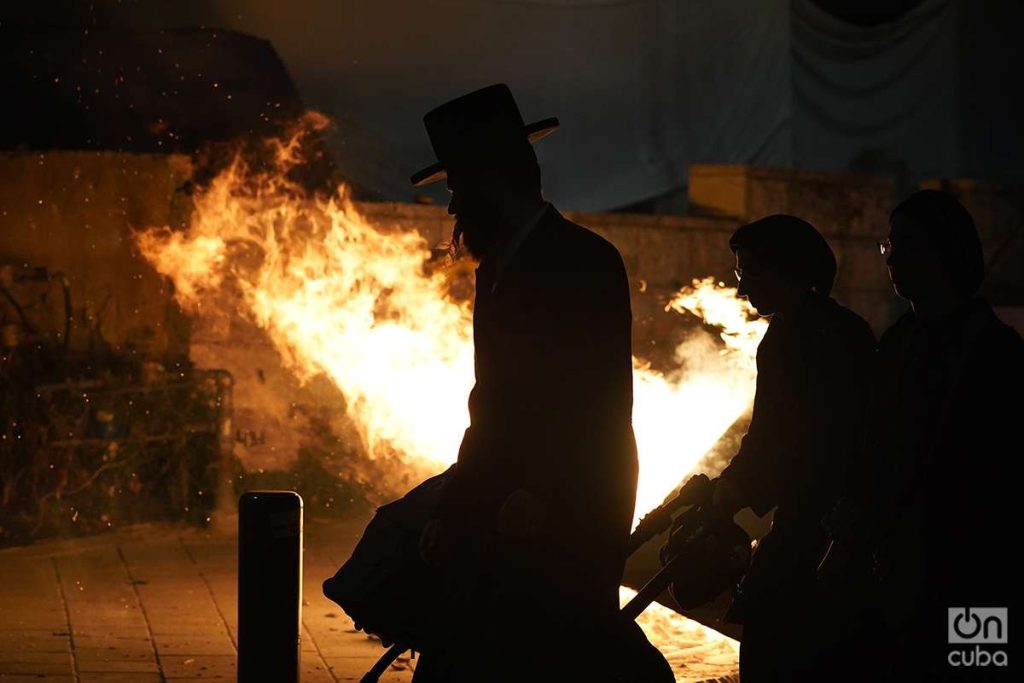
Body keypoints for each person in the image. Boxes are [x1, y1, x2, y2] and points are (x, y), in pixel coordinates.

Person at [409, 84, 671, 682]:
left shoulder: (586, 261)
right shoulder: (495, 270)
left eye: (459, 187)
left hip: (570, 505)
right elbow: (490, 406)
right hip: (505, 500)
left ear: (497, 179)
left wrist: (545, 492)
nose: (453, 207)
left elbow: (595, 402)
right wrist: (455, 503)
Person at [838, 190, 1021, 679]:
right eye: (888, 244)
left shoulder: (993, 352)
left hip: (977, 567)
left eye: (906, 244)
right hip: (903, 565)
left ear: (945, 252)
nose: (891, 258)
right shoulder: (900, 342)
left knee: (977, 668)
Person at [706, 215, 876, 680]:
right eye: (741, 275)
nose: (743, 289)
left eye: (754, 273)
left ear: (794, 271)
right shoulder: (779, 338)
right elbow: (766, 436)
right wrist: (734, 485)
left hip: (831, 523)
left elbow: (842, 442)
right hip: (799, 517)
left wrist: (745, 486)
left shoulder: (840, 338)